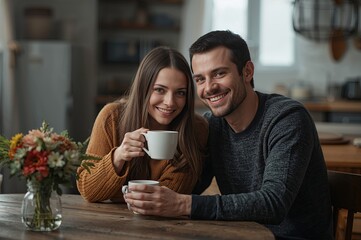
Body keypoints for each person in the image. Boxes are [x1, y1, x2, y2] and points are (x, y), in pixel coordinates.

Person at [123, 31, 333, 239]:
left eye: (219, 73)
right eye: (200, 79)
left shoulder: (287, 118)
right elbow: (191, 185)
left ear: (247, 71)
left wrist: (181, 204)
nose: (209, 88)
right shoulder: (213, 126)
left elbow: (273, 204)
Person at [77, 46, 208, 203]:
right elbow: (88, 190)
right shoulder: (112, 117)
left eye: (180, 93)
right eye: (160, 90)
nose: (170, 102)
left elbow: (166, 199)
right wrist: (118, 156)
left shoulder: (196, 128)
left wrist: (121, 192)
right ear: (143, 89)